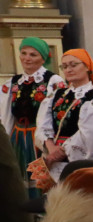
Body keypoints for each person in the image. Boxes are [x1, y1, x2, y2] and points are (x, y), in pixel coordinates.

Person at [35, 49, 93, 183]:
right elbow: (42, 123)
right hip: (51, 156)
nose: (68, 70)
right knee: (48, 200)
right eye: (64, 66)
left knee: (73, 199)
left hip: (76, 161)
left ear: (87, 67)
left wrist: (58, 153)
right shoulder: (56, 94)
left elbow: (90, 134)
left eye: (73, 65)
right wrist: (50, 147)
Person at [0, 37, 64, 196]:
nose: (27, 58)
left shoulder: (52, 81)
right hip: (18, 137)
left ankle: (43, 211)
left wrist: (50, 142)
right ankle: (25, 210)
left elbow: (57, 114)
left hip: (39, 139)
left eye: (33, 54)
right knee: (19, 174)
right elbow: (5, 114)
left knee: (40, 175)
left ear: (43, 58)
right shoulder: (12, 83)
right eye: (24, 53)